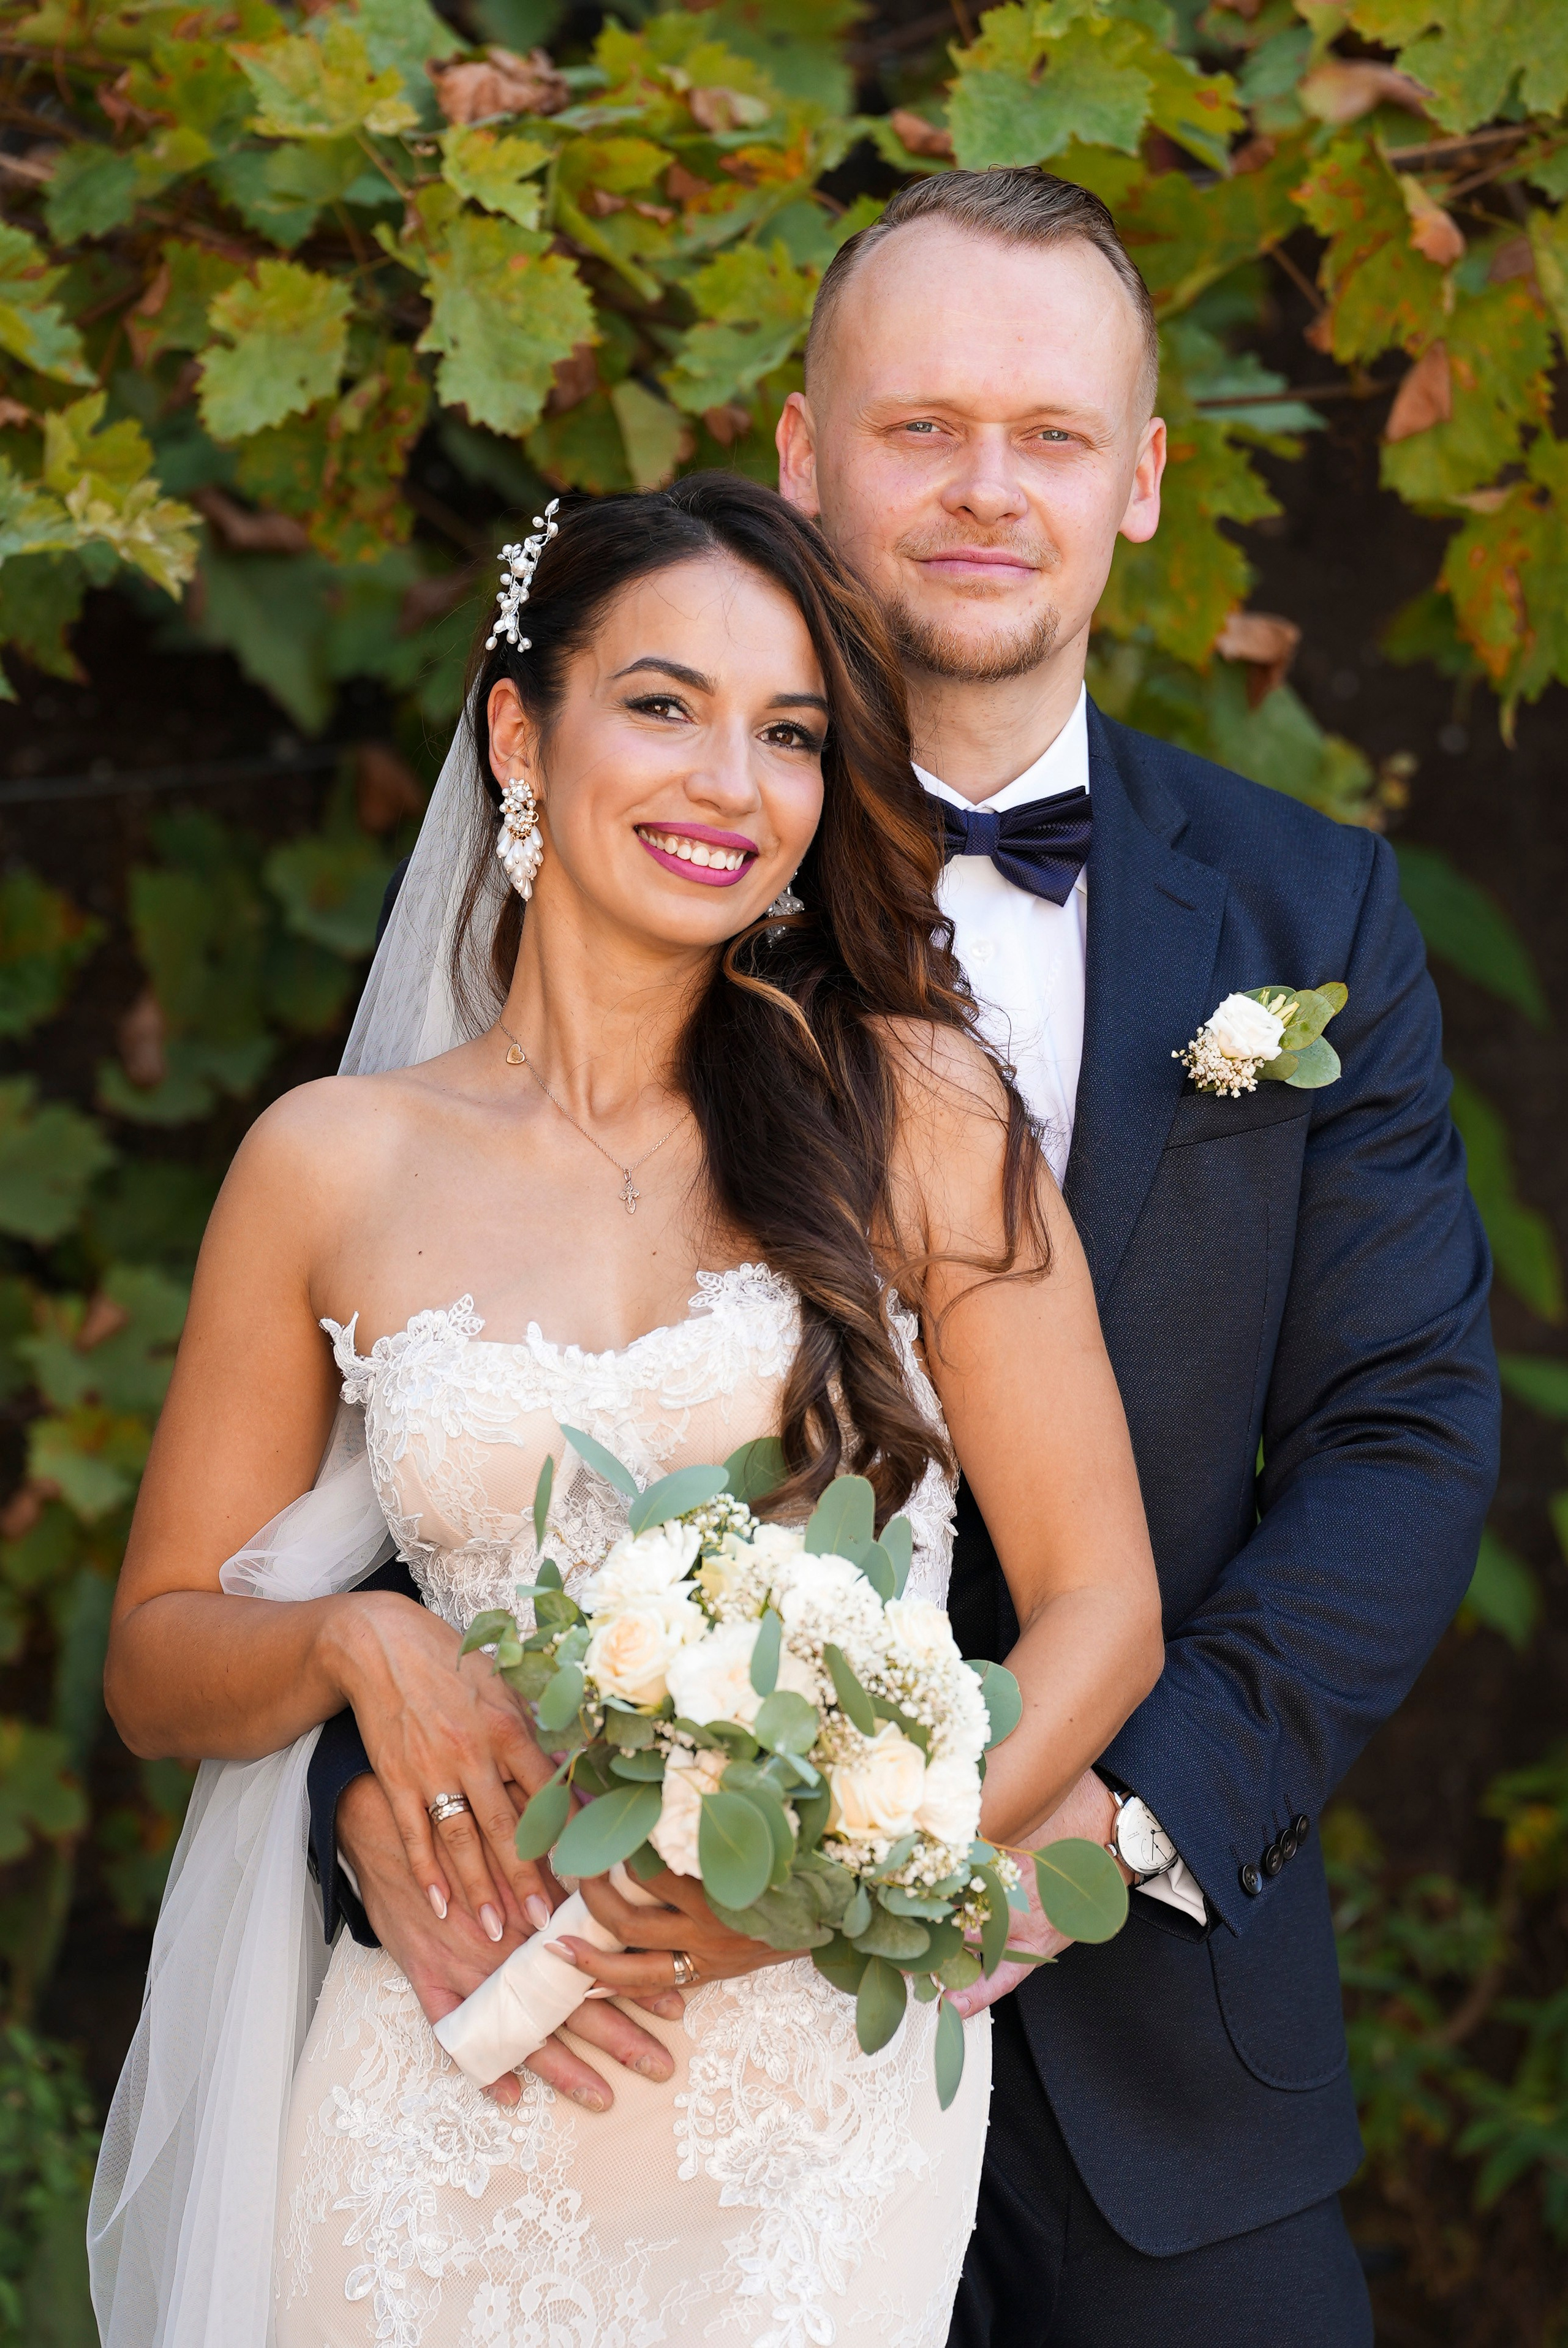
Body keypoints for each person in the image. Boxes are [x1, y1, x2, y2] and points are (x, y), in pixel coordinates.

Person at [316, 167, 1499, 2341]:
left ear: (1138, 485)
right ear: (798, 454)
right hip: (646, 2046)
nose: (985, 489)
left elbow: (1403, 1442)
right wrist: (350, 1770)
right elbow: (411, 1399)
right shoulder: (615, 875)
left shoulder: (1300, 918)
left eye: (1051, 436)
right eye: (918, 424)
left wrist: (1088, 1844)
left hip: (1158, 2049)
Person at [88, 473, 1165, 2346]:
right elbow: (160, 1658)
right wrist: (359, 1640)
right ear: (523, 725)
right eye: (663, 704)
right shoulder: (331, 1165)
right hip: (451, 2064)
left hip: (805, 2099)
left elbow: (1101, 1609)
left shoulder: (914, 1109)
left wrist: (837, 1883)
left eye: (792, 734)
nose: (729, 784)